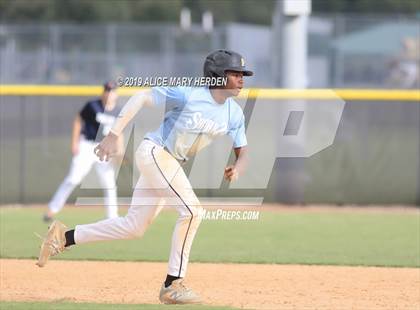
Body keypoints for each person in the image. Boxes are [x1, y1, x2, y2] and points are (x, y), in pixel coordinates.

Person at [37, 50, 252, 305]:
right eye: (235, 73)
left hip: (168, 162)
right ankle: (173, 284)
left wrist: (238, 166)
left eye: (243, 74)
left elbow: (243, 151)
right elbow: (140, 97)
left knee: (134, 226)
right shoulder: (190, 93)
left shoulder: (234, 114)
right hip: (156, 152)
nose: (241, 79)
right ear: (217, 76)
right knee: (193, 211)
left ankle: (64, 237)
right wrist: (114, 134)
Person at [43, 82, 121, 222]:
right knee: (73, 178)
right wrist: (74, 142)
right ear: (103, 92)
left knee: (109, 183)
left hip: (104, 147)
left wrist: (119, 150)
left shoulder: (118, 111)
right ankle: (52, 209)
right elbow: (78, 120)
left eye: (112, 91)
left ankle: (112, 217)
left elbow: (119, 132)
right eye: (107, 90)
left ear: (116, 94)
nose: (109, 94)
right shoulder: (93, 106)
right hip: (87, 145)